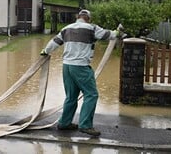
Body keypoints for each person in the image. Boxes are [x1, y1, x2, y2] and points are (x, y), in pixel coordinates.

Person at [40, 9, 122, 137]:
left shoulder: (66, 28)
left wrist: (45, 51)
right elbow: (109, 35)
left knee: (71, 97)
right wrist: (118, 32)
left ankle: (64, 123)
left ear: (78, 17)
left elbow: (54, 43)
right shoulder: (92, 28)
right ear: (88, 18)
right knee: (91, 94)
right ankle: (85, 125)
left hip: (67, 66)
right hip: (81, 67)